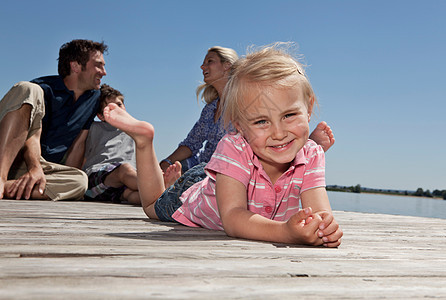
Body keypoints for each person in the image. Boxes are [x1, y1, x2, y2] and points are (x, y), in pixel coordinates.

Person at [103, 43, 343, 247]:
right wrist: (287, 232)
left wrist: (323, 229)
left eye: (289, 115)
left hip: (224, 173)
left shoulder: (311, 153)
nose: (278, 133)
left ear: (309, 108)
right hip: (200, 190)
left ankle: (170, 180)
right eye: (261, 121)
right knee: (152, 207)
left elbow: (321, 215)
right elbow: (232, 218)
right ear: (239, 125)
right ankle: (144, 140)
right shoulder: (234, 145)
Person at [160, 46, 335, 174]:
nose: (201, 67)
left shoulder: (250, 103)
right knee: (134, 189)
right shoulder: (210, 109)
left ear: (227, 65)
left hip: (233, 169)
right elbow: (191, 143)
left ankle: (304, 151)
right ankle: (159, 188)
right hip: (203, 165)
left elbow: (260, 142)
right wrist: (167, 162)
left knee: (143, 185)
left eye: (209, 61)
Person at [0, 39, 108, 200]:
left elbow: (79, 144)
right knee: (27, 89)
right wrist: (35, 167)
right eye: (98, 65)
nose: (104, 72)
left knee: (79, 181)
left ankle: (9, 186)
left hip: (35, 167)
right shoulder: (43, 88)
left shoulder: (93, 99)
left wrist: (69, 189)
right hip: (10, 154)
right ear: (76, 66)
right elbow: (32, 136)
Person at [82, 84, 180, 205]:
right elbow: (81, 154)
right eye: (110, 107)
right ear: (100, 116)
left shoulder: (134, 130)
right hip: (98, 180)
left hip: (126, 183)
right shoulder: (94, 128)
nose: (117, 110)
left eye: (119, 105)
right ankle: (162, 186)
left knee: (133, 195)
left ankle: (164, 198)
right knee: (125, 169)